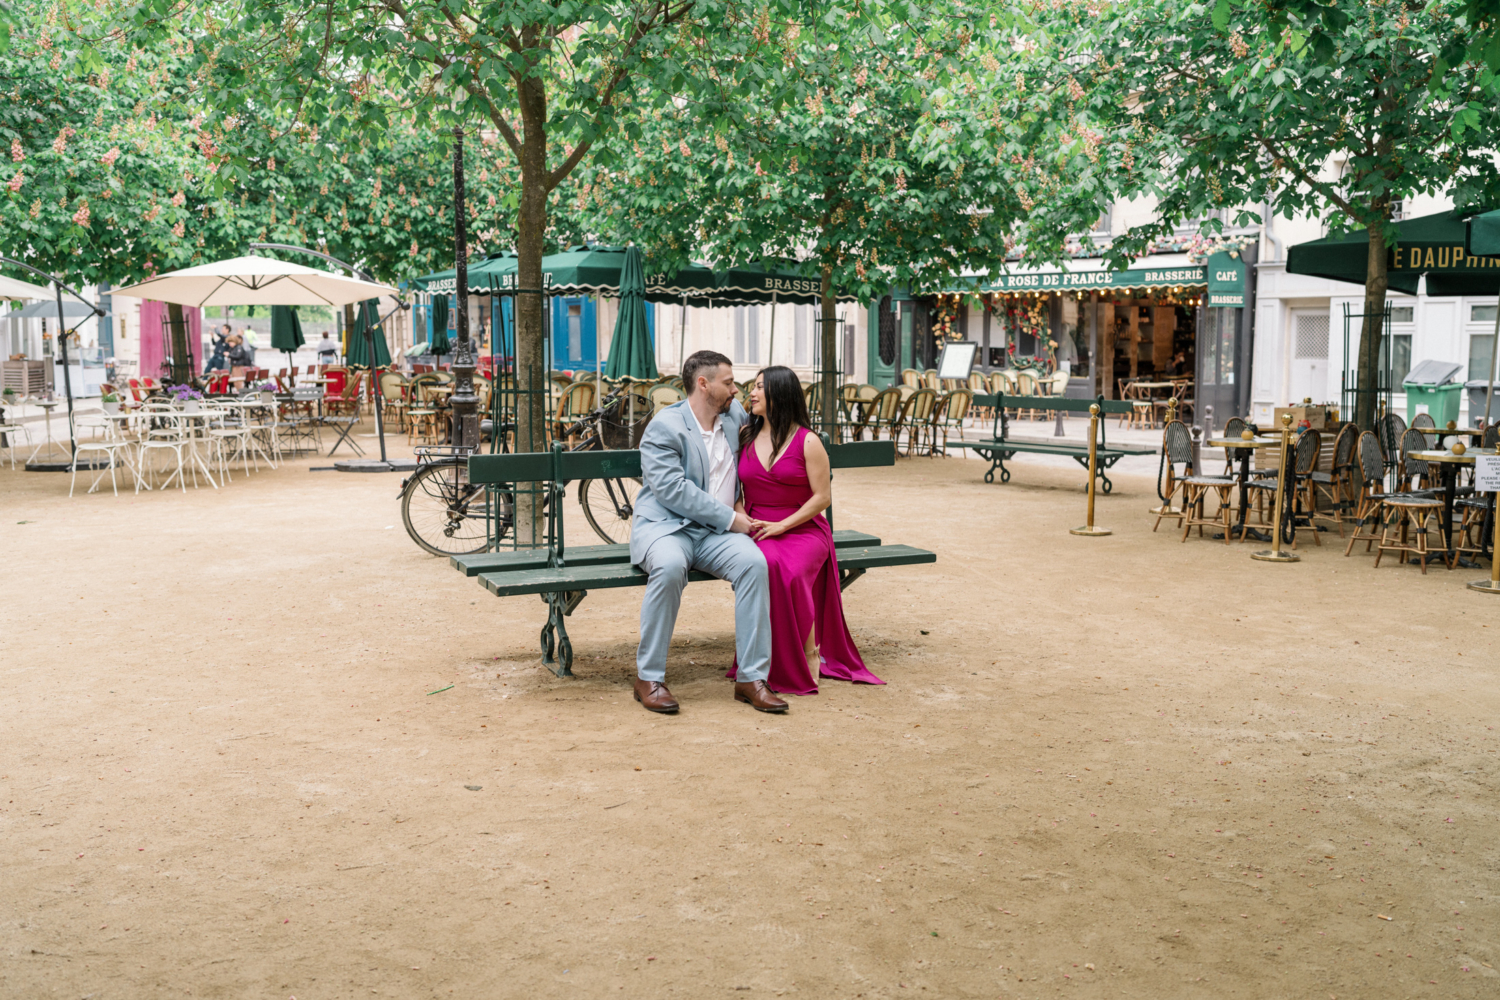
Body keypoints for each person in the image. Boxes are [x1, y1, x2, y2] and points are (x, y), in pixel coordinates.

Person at [629, 350, 783, 716]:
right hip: (667, 528)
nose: (736, 389)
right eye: (729, 382)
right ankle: (648, 677)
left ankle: (751, 678)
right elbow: (673, 491)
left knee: (754, 564)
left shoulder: (735, 418)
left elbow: (764, 448)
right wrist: (732, 518)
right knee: (668, 568)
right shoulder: (665, 426)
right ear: (704, 384)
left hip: (716, 535)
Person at [730, 366, 883, 695]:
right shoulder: (744, 435)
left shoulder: (808, 441)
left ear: (780, 394)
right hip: (757, 525)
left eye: (759, 387)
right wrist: (744, 518)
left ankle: (809, 651)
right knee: (764, 566)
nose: (751, 393)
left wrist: (783, 525)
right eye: (752, 387)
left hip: (802, 527)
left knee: (792, 571)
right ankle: (761, 659)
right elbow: (734, 493)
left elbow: (822, 497)